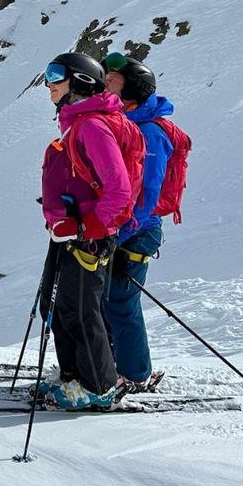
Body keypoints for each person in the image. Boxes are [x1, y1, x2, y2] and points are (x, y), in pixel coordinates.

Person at [36, 52, 142, 410]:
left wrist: (85, 227)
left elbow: (119, 191)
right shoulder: (78, 124)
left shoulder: (93, 126)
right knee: (66, 307)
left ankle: (98, 386)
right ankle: (75, 379)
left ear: (80, 81)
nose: (48, 83)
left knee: (82, 311)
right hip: (74, 234)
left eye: (56, 75)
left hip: (89, 239)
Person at [101, 52, 171, 391]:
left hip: (137, 231)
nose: (105, 83)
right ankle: (111, 366)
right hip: (121, 228)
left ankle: (136, 374)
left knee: (121, 301)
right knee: (105, 300)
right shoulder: (122, 123)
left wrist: (120, 229)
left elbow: (149, 194)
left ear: (134, 87)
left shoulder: (150, 132)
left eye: (113, 80)